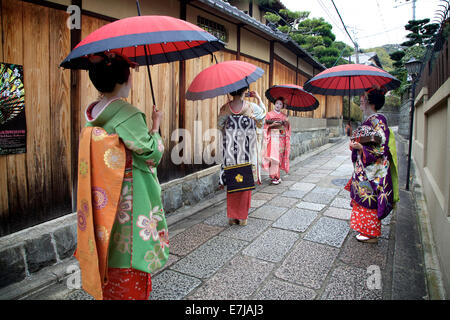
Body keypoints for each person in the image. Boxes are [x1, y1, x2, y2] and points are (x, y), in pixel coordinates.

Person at [75, 52, 169, 300]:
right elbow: (151, 154)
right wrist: (156, 127)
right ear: (122, 80)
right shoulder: (127, 114)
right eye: (129, 76)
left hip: (104, 198)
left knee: (109, 250)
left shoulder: (93, 114)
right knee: (131, 255)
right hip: (129, 198)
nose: (131, 81)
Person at [347, 86, 399, 243]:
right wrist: (354, 140)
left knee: (369, 199)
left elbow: (380, 147)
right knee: (363, 198)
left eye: (363, 98)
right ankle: (366, 230)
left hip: (373, 170)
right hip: (366, 167)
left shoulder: (378, 120)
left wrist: (361, 148)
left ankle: (371, 234)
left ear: (371, 102)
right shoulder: (371, 120)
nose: (361, 101)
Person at [218, 87, 266, 226]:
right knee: (244, 182)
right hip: (247, 151)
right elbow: (263, 118)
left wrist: (231, 121)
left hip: (231, 151)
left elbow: (219, 125)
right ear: (244, 91)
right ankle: (243, 217)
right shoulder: (252, 107)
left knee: (233, 181)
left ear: (231, 92)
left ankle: (232, 217)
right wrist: (258, 98)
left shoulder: (224, 108)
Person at [262, 97, 291, 185]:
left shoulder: (283, 116)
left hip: (281, 138)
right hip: (272, 138)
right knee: (273, 157)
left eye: (280, 104)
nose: (278, 105)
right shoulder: (269, 114)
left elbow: (287, 128)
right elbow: (264, 126)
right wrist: (271, 126)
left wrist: (287, 122)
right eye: (277, 103)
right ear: (274, 104)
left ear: (282, 106)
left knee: (279, 157)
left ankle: (276, 175)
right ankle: (274, 177)